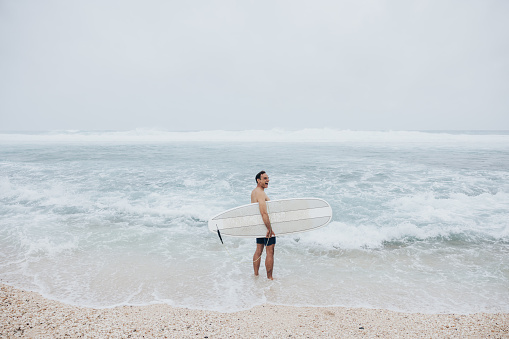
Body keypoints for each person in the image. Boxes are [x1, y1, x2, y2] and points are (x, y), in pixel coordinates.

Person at [251, 170, 275, 280]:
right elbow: (263, 212)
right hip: (265, 226)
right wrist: (269, 229)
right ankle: (269, 278)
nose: (268, 180)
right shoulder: (260, 193)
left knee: (258, 250)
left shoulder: (255, 192)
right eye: (265, 178)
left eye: (267, 178)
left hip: (259, 226)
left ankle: (256, 275)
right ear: (258, 180)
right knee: (270, 251)